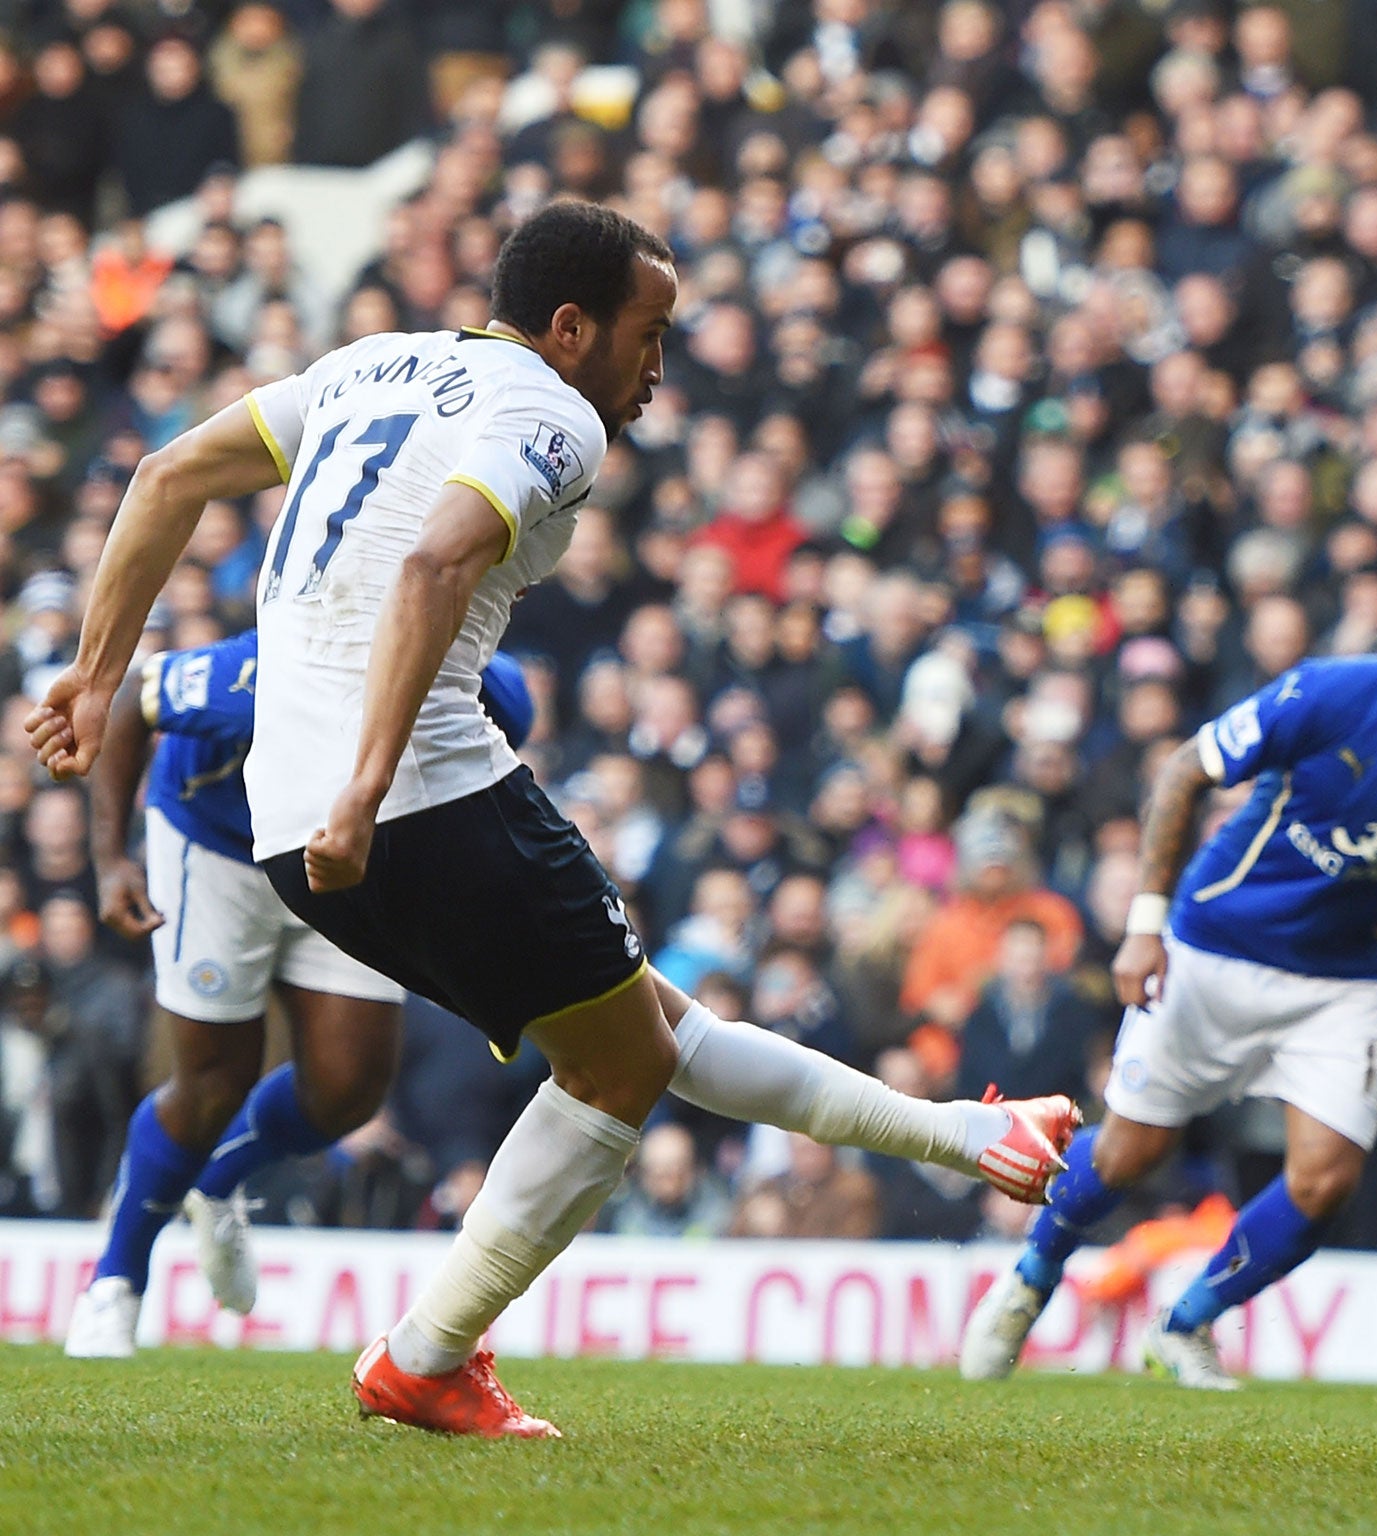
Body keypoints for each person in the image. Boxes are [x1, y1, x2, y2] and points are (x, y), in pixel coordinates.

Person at [30, 200, 1078, 1438]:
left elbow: (167, 473)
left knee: (644, 1033)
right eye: (650, 334)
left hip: (281, 819)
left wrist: (100, 675)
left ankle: (971, 1134)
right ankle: (424, 1358)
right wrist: (369, 788)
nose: (657, 366)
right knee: (625, 1059)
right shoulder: (554, 412)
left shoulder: (371, 365)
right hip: (410, 789)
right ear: (571, 328)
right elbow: (434, 564)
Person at [960, 561, 1377, 1389]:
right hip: (1212, 945)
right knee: (1132, 1152)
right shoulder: (1329, 695)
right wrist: (1145, 925)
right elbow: (1183, 773)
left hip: (1343, 982)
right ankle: (1031, 1276)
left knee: (1326, 1179)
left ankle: (1189, 1321)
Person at [64, 629, 530, 1358]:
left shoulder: (487, 687)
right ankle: (115, 1280)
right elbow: (133, 699)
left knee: (350, 1089)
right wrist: (109, 859)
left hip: (343, 859)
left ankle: (215, 1182)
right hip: (215, 849)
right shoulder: (254, 675)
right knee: (214, 1081)